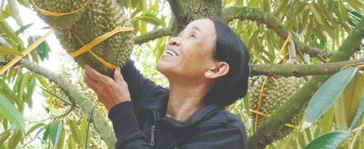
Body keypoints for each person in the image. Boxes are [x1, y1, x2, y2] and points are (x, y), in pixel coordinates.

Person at [84, 17, 251, 148]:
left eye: (192, 36)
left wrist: (121, 112)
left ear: (216, 69)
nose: (173, 40)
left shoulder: (225, 132)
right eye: (180, 34)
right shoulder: (152, 100)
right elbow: (111, 48)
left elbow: (123, 112)